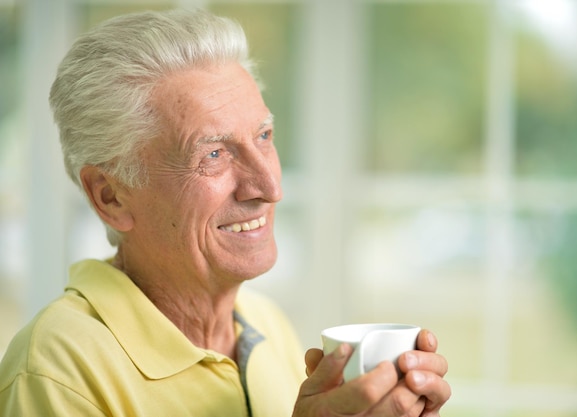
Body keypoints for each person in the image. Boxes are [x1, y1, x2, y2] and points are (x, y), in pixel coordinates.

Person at [0, 9, 450, 416]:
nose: (270, 187)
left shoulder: (264, 325)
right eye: (213, 154)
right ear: (110, 197)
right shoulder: (56, 368)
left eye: (264, 136)